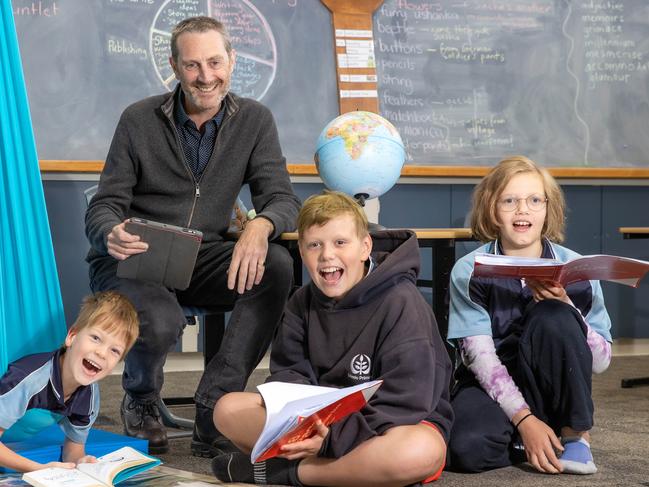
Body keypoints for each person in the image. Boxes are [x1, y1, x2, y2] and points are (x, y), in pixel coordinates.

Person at [84, 16, 300, 455]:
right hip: (137, 257)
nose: (206, 77)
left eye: (215, 62)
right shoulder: (138, 119)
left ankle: (214, 405)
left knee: (277, 265)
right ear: (174, 66)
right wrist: (109, 232)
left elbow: (282, 199)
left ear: (232, 61)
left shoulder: (255, 121)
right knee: (161, 319)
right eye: (192, 65)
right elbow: (105, 204)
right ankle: (141, 400)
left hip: (203, 256)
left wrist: (261, 225)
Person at [210, 191, 453, 486]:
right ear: (301, 252)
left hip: (388, 424)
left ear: (365, 247)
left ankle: (292, 473)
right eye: (314, 245)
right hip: (317, 422)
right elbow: (288, 376)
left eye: (340, 242)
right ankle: (346, 470)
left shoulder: (403, 303)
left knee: (422, 451)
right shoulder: (301, 302)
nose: (327, 255)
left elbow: (407, 401)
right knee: (227, 409)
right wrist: (309, 428)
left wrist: (332, 439)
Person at [447, 156, 612, 475]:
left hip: (552, 382)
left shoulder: (578, 269)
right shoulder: (469, 269)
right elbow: (481, 360)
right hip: (492, 381)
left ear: (548, 208)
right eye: (509, 200)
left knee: (554, 314)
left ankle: (573, 433)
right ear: (493, 209)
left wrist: (569, 308)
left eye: (535, 200)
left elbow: (602, 361)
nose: (523, 210)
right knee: (464, 449)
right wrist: (525, 420)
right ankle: (534, 436)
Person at [0, 291, 139, 472]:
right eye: (96, 338)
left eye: (114, 351)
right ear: (71, 337)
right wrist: (36, 469)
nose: (102, 353)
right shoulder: (28, 378)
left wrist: (80, 462)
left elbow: (73, 450)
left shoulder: (90, 395)